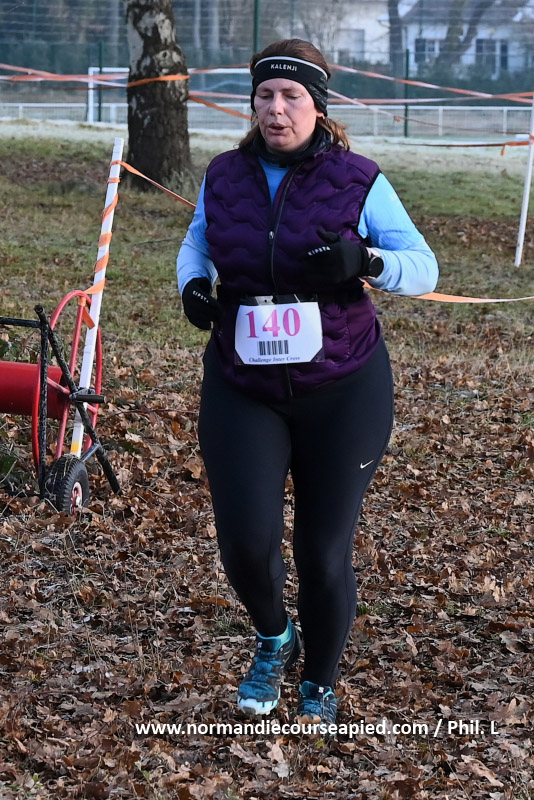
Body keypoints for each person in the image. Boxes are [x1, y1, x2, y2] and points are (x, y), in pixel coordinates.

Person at [177, 38, 438, 726]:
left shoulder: (358, 179)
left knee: (323, 554)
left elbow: (424, 267)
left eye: (292, 96)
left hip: (343, 387)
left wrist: (367, 261)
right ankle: (274, 637)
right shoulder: (225, 174)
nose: (277, 109)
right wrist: (193, 285)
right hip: (243, 383)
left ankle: (319, 682)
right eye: (265, 95)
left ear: (317, 106)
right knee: (245, 543)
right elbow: (199, 240)